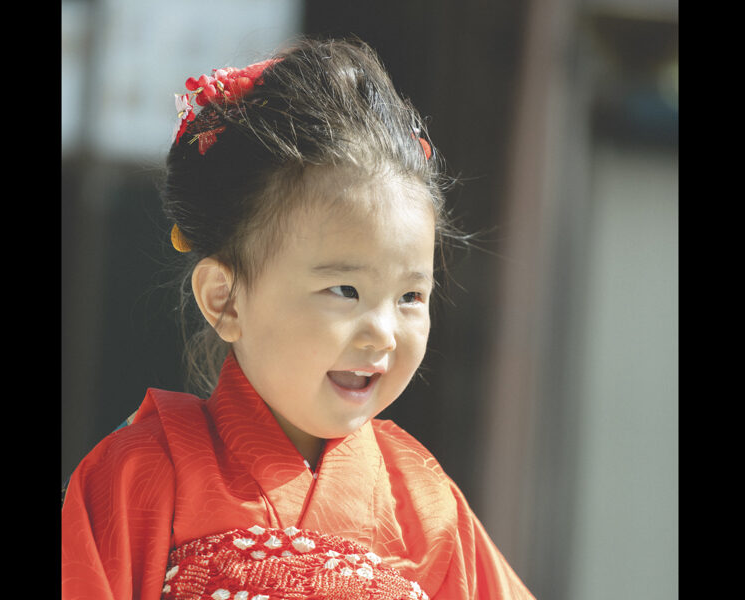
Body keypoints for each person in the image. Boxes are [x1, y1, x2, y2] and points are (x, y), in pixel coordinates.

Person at [62, 37, 534, 600]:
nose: (382, 331)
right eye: (344, 289)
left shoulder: (428, 505)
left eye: (410, 297)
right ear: (226, 300)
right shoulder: (135, 477)